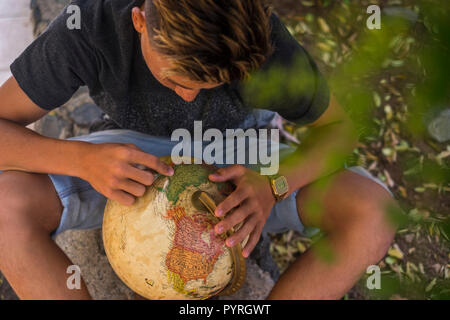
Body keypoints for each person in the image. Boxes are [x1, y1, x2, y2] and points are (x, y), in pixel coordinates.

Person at [0, 0, 396, 300]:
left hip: (243, 159)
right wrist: (83, 161)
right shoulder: (90, 25)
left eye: (211, 83)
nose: (189, 95)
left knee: (374, 213)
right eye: (175, 78)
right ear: (140, 22)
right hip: (131, 156)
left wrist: (274, 184)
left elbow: (341, 131)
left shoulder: (257, 38)